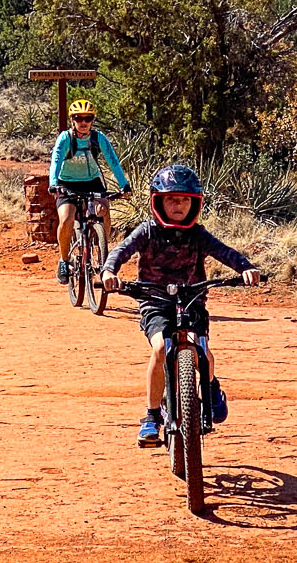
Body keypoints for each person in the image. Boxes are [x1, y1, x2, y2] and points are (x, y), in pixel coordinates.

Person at [102, 164, 261, 447]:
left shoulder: (198, 234)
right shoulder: (147, 231)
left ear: (195, 203)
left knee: (203, 351)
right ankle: (152, 415)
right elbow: (121, 250)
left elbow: (224, 252)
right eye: (172, 199)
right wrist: (109, 272)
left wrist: (245, 268)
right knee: (160, 348)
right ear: (158, 202)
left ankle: (210, 386)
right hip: (156, 301)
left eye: (185, 200)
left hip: (192, 300)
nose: (178, 205)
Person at [49, 98, 130, 286]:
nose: (83, 122)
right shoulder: (65, 138)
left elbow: (113, 161)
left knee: (103, 210)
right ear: (72, 120)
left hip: (92, 182)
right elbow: (56, 161)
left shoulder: (98, 138)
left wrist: (124, 185)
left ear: (93, 120)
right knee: (66, 219)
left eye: (88, 118)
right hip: (67, 183)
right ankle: (64, 261)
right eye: (79, 118)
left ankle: (102, 251)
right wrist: (53, 184)